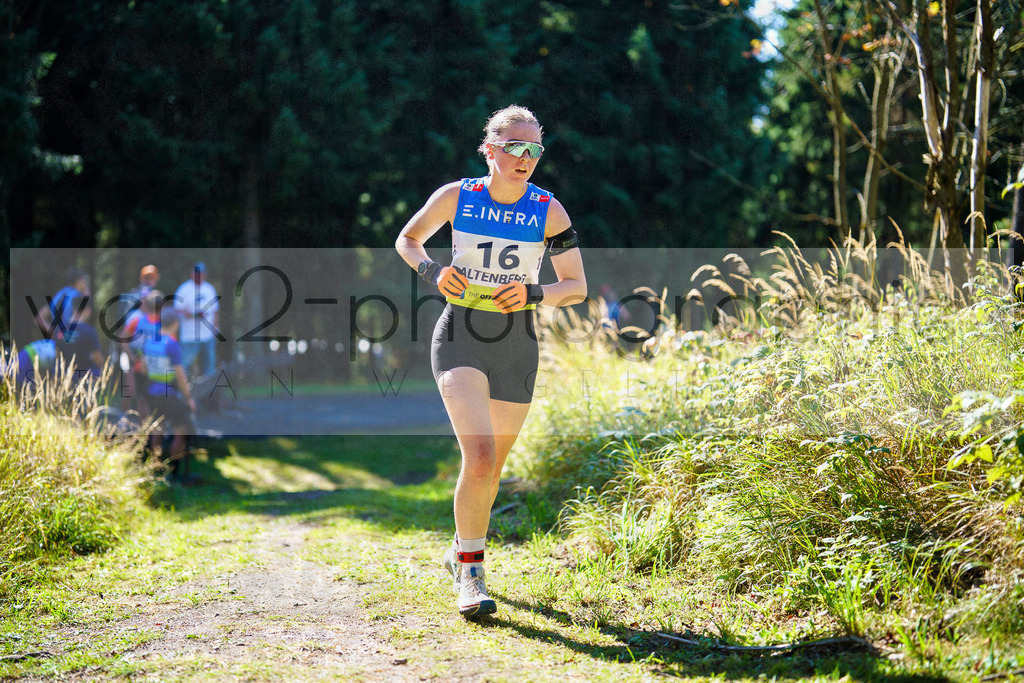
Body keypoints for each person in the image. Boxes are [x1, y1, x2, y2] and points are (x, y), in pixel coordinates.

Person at [395, 105, 586, 618]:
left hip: (517, 345)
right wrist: (433, 272)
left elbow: (576, 287)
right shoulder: (458, 196)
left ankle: (461, 547)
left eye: (534, 150)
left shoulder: (549, 211)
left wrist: (533, 293)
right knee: (479, 458)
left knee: (491, 467)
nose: (525, 158)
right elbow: (407, 240)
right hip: (460, 335)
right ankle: (471, 574)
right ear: (491, 149)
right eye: (515, 147)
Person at [140, 307, 197, 481]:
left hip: (152, 392)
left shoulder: (149, 341)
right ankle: (173, 473)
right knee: (181, 430)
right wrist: (188, 397)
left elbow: (143, 368)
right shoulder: (171, 344)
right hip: (168, 392)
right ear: (176, 324)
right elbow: (180, 374)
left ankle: (153, 471)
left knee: (157, 430)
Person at [174, 262, 220, 378]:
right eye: (197, 273)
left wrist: (215, 329)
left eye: (202, 273)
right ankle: (184, 393)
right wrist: (194, 314)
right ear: (192, 274)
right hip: (189, 336)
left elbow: (215, 311)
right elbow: (177, 311)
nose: (199, 276)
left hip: (207, 335)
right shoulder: (184, 289)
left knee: (209, 365)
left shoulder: (209, 289)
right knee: (185, 364)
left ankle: (208, 393)